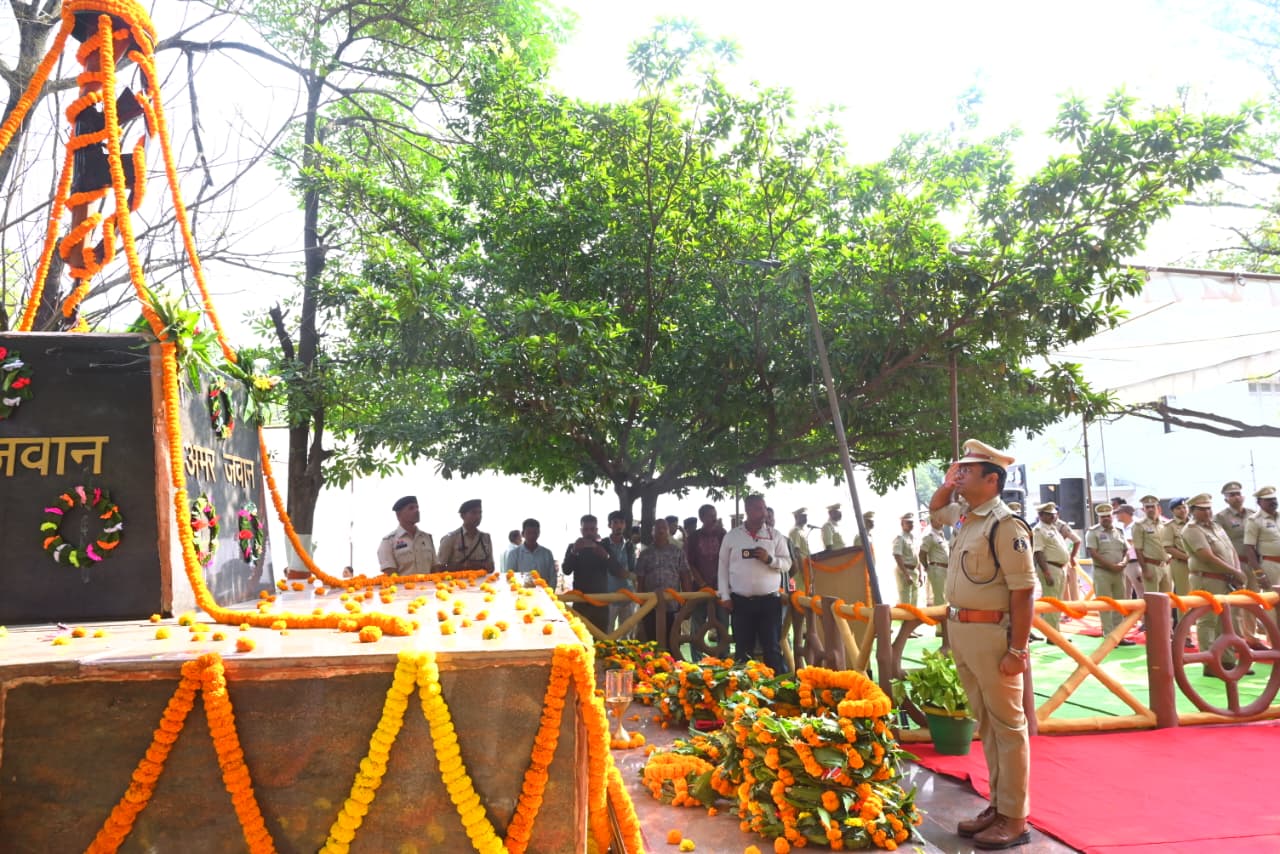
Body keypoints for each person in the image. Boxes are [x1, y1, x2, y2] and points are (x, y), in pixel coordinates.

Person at [928, 439, 1034, 849]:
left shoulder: (1004, 525)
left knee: (1009, 728)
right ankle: (999, 805)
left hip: (994, 636)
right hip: (966, 633)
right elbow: (937, 513)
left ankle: (1016, 817)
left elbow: (1023, 592)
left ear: (992, 480)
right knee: (988, 726)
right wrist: (947, 482)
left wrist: (1017, 650)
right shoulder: (970, 517)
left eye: (969, 471)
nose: (960, 475)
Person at [717, 494, 791, 674]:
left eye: (764, 508)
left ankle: (780, 691)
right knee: (743, 650)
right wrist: (725, 596)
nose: (763, 512)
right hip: (741, 602)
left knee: (772, 648)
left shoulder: (775, 536)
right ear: (748, 510)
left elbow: (787, 563)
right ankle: (743, 693)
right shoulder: (732, 536)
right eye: (759, 508)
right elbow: (722, 567)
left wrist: (770, 559)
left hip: (769, 602)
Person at [1183, 493, 1251, 676]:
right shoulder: (1192, 529)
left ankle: (1227, 660)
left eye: (1208, 508)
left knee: (1226, 620)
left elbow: (1231, 550)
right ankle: (1210, 662)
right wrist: (1234, 571)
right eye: (1202, 509)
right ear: (1193, 511)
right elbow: (1206, 556)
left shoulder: (1216, 527)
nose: (1207, 512)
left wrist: (1235, 570)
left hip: (1225, 579)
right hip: (1207, 578)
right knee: (1208, 621)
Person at [1216, 480, 1265, 646]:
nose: (1236, 497)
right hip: (1236, 565)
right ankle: (1237, 641)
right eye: (1231, 495)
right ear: (1226, 499)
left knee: (1252, 601)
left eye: (1238, 494)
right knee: (1236, 605)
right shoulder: (1221, 518)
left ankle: (1251, 638)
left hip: (1254, 564)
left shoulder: (1253, 514)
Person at [563, 514, 629, 630]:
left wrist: (606, 556)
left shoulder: (605, 547)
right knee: (580, 638)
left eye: (592, 529)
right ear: (581, 530)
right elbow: (566, 570)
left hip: (601, 603)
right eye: (586, 529)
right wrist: (574, 552)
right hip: (580, 602)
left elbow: (617, 571)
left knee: (601, 640)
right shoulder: (573, 547)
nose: (589, 532)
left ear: (596, 530)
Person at [634, 517, 693, 644]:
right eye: (658, 528)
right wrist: (641, 605)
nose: (661, 531)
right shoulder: (645, 554)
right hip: (650, 607)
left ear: (668, 531)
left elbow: (685, 576)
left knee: (672, 643)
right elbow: (640, 581)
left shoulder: (678, 552)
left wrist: (687, 602)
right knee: (651, 643)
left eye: (664, 528)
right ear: (652, 532)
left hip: (673, 606)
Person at [1085, 503, 1133, 645]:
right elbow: (1093, 553)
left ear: (1112, 516)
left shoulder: (1119, 531)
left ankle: (1119, 635)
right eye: (1102, 517)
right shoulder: (1093, 532)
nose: (1106, 519)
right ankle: (1108, 635)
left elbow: (1126, 551)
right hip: (1103, 572)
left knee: (1119, 604)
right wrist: (1111, 566)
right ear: (1098, 518)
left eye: (1108, 516)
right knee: (1105, 604)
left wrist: (1123, 563)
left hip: (1119, 572)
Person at [1032, 502, 1071, 633]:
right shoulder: (1039, 530)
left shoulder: (1053, 529)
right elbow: (1038, 552)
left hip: (1059, 567)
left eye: (1054, 515)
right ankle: (1052, 634)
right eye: (1049, 515)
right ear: (1041, 515)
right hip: (1050, 567)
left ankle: (1055, 632)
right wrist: (1047, 573)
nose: (1053, 517)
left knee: (1058, 601)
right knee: (1052, 602)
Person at [376, 495, 437, 575]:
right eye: (411, 508)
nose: (416, 511)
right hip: (405, 587)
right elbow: (390, 573)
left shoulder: (426, 538)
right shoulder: (389, 541)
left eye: (417, 507)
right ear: (398, 515)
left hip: (429, 587)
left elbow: (435, 568)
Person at [604, 510, 638, 634]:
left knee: (628, 635)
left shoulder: (629, 546)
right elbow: (612, 568)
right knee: (607, 634)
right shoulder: (603, 544)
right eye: (615, 522)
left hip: (628, 596)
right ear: (609, 525)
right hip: (609, 596)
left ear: (625, 525)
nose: (618, 525)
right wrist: (627, 574)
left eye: (621, 522)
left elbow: (633, 568)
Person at [437, 499, 494, 572]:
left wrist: (475, 565)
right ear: (462, 516)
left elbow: (491, 567)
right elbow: (439, 568)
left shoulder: (485, 538)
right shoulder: (450, 539)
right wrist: (464, 566)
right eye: (474, 513)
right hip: (458, 582)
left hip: (482, 582)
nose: (478, 516)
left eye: (480, 513)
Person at [1132, 495, 1171, 596]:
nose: (1150, 509)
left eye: (1152, 506)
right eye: (1147, 507)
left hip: (1166, 565)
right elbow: (1138, 549)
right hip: (1151, 566)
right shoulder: (1139, 525)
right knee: (1152, 599)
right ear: (1143, 509)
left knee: (1167, 600)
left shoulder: (1164, 524)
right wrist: (1144, 570)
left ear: (1158, 508)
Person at [1245, 486, 1280, 595]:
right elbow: (1249, 548)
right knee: (1272, 598)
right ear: (1259, 502)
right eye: (1268, 500)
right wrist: (1259, 573)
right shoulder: (1254, 520)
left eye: (1274, 499)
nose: (1273, 502)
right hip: (1270, 565)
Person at [509, 518, 556, 588]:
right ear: (523, 534)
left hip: (544, 596)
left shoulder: (547, 554)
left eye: (535, 533)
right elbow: (510, 577)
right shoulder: (514, 554)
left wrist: (549, 594)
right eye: (529, 533)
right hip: (522, 595)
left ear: (539, 533)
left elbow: (553, 578)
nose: (532, 536)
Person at [918, 513, 950, 611]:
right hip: (937, 569)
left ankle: (946, 623)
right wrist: (927, 567)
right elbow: (922, 553)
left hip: (945, 569)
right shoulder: (929, 535)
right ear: (932, 521)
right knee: (940, 598)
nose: (941, 522)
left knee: (946, 597)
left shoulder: (940, 534)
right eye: (938, 520)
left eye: (941, 519)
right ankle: (940, 625)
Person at [891, 512, 921, 606]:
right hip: (905, 571)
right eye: (908, 522)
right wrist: (906, 574)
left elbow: (917, 556)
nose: (910, 525)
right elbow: (897, 556)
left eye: (911, 523)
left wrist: (920, 573)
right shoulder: (900, 538)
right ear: (902, 524)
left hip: (914, 571)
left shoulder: (913, 538)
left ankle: (913, 620)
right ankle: (906, 620)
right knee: (906, 600)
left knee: (915, 600)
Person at [1114, 504, 1141, 600]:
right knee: (1124, 594)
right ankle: (1126, 614)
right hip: (1123, 563)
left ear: (1125, 514)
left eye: (1118, 513)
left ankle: (1143, 615)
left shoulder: (1137, 524)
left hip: (1135, 562)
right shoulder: (1119, 526)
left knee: (1141, 592)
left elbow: (1131, 543)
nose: (1116, 516)